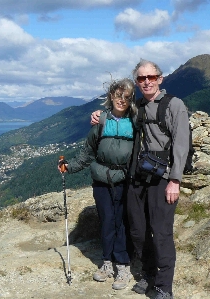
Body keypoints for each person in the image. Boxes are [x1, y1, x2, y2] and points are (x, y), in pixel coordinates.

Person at [90, 59, 190, 299]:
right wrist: (98, 114)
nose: (147, 82)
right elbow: (117, 111)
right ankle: (147, 274)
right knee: (138, 230)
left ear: (160, 79)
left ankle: (164, 286)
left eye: (151, 77)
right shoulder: (137, 106)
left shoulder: (174, 105)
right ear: (137, 82)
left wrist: (175, 181)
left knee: (161, 232)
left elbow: (181, 143)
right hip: (138, 177)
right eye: (142, 79)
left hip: (163, 178)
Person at [58, 78, 136, 290]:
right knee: (107, 220)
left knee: (121, 222)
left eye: (127, 97)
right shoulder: (100, 123)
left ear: (131, 100)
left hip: (124, 180)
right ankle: (107, 263)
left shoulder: (135, 121)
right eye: (118, 95)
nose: (122, 100)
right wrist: (69, 167)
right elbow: (87, 154)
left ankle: (123, 266)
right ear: (111, 96)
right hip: (101, 181)